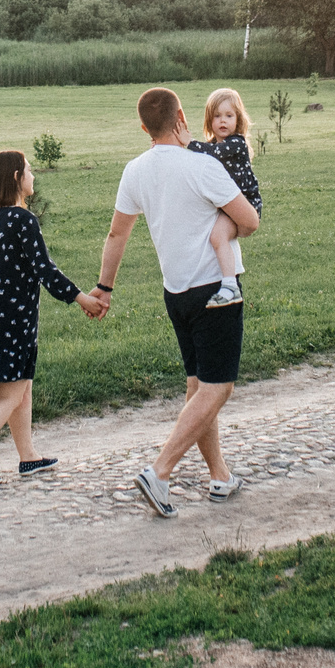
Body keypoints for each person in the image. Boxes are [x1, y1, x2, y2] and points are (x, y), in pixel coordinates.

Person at [98, 87, 260, 517]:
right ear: (181, 116)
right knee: (217, 388)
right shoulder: (203, 165)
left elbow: (117, 234)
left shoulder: (134, 171)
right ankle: (160, 471)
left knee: (197, 386)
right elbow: (250, 220)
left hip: (176, 293)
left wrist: (105, 287)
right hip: (214, 290)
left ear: (144, 126)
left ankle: (221, 477)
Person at [0, 148, 105, 487]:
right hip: (14, 321)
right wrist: (81, 298)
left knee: (21, 388)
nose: (33, 176)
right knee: (9, 395)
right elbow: (44, 270)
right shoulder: (23, 220)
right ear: (17, 179)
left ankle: (28, 457)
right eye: (29, 171)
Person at [186, 88, 263, 308]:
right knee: (216, 236)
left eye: (229, 116)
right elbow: (199, 158)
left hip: (246, 204)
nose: (223, 121)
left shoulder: (236, 143)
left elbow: (211, 154)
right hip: (229, 206)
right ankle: (228, 282)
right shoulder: (213, 146)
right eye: (217, 116)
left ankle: (230, 286)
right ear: (209, 120)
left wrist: (187, 141)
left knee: (217, 236)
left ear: (238, 120)